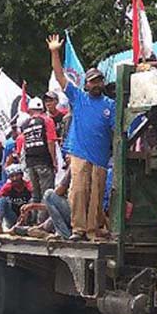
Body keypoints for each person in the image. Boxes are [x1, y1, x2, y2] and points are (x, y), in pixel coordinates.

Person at [47, 34, 115, 241]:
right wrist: (55, 52)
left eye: (99, 81)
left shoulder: (110, 105)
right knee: (78, 191)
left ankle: (93, 231)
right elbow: (60, 76)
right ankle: (78, 229)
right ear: (86, 85)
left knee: (96, 195)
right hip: (79, 154)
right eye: (92, 82)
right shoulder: (78, 98)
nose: (96, 84)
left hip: (101, 157)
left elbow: (116, 131)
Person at [17, 96, 58, 219]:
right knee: (47, 194)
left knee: (35, 194)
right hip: (44, 161)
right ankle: (41, 222)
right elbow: (51, 142)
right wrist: (54, 161)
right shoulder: (47, 121)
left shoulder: (25, 124)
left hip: (30, 163)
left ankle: (32, 220)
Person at [0, 164, 32, 233]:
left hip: (27, 216)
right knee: (2, 200)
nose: (15, 178)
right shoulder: (9, 186)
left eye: (17, 175)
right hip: (13, 217)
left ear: (21, 175)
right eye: (12, 176)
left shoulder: (28, 186)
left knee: (32, 201)